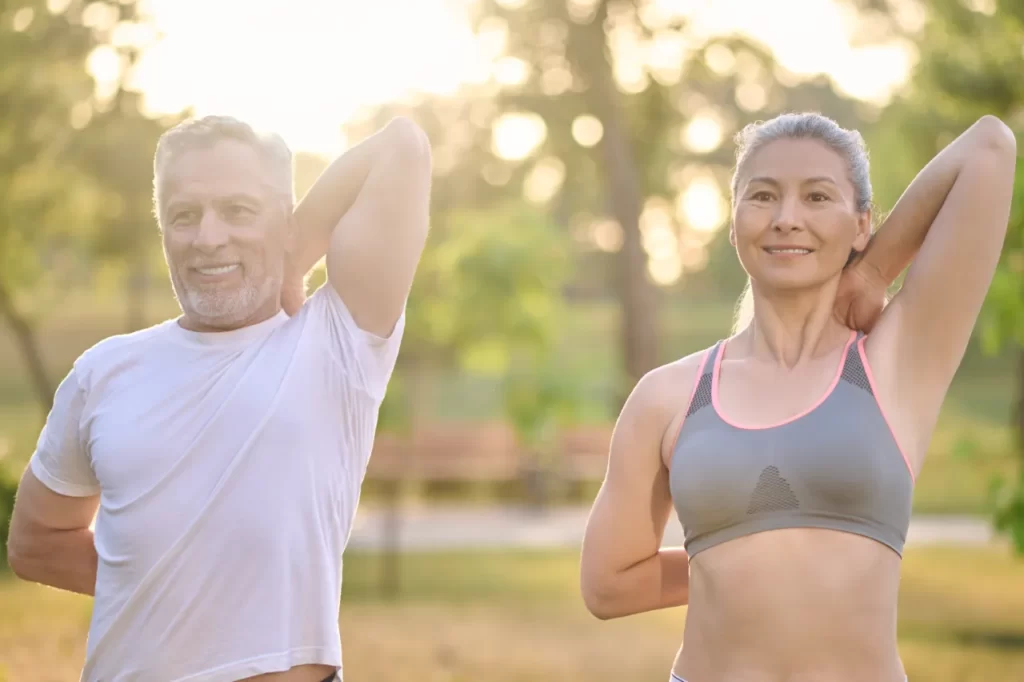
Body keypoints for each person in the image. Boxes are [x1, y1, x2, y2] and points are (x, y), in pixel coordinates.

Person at [580, 112, 1017, 682]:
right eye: (762, 196)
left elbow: (989, 147)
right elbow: (607, 584)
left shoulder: (897, 364)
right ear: (734, 225)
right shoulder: (668, 396)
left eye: (817, 197)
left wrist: (876, 270)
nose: (787, 219)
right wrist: (729, 562)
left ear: (861, 224)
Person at [6, 114, 432, 681]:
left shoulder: (336, 339)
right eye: (185, 215)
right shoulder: (103, 372)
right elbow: (37, 543)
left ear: (285, 219)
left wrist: (295, 252)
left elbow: (402, 147)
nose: (208, 238)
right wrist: (172, 591)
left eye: (238, 210)